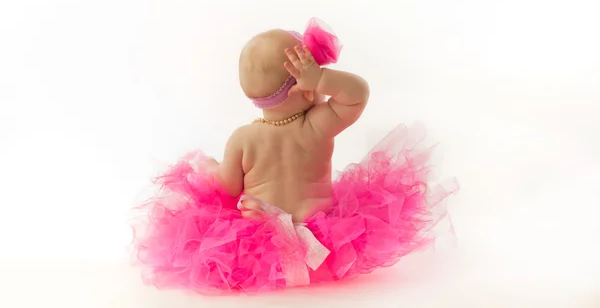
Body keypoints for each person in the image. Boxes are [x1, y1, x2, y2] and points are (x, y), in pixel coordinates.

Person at [131, 18, 457, 294]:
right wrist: (324, 80)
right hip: (327, 246)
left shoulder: (244, 139)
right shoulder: (316, 126)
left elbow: (227, 188)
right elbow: (358, 95)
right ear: (305, 86)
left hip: (261, 250)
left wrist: (210, 167)